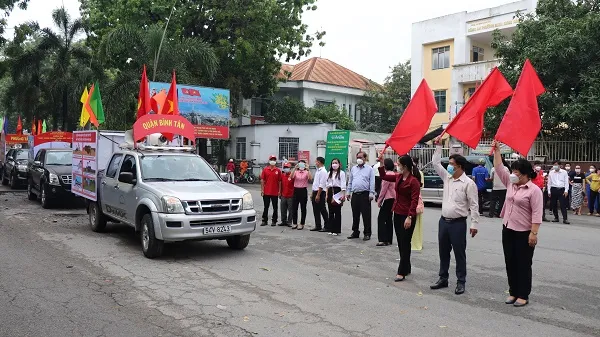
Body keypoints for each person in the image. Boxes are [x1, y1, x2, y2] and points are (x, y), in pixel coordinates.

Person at [491, 141, 542, 307]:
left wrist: (533, 234)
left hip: (524, 232)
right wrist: (497, 151)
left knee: (523, 263)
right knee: (510, 261)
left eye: (517, 172)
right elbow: (499, 168)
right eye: (512, 171)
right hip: (508, 228)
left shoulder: (534, 191)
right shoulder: (511, 184)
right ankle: (513, 291)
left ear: (526, 174)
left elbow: (537, 213)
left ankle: (523, 294)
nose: (513, 174)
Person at [430, 137, 479, 295]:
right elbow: (436, 163)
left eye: (451, 164)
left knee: (459, 253)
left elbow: (473, 205)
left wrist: (474, 224)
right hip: (443, 222)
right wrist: (438, 146)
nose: (449, 167)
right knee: (443, 252)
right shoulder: (447, 178)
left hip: (458, 223)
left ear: (460, 167)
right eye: (449, 164)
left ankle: (461, 281)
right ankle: (443, 278)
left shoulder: (468, 184)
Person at [378, 154, 421, 282]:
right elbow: (383, 176)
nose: (398, 166)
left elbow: (414, 201)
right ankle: (406, 266)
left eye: (400, 164)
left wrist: (409, 217)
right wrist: (381, 163)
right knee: (401, 243)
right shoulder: (398, 177)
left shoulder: (413, 181)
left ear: (406, 166)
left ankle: (401, 271)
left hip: (407, 215)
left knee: (405, 242)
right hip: (397, 212)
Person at [346, 152, 376, 241]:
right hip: (355, 194)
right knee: (355, 215)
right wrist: (348, 192)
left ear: (365, 158)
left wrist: (371, 193)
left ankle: (367, 233)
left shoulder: (369, 169)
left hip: (365, 194)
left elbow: (372, 182)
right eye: (357, 157)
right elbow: (350, 181)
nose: (359, 159)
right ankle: (355, 232)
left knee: (366, 215)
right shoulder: (353, 169)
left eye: (360, 157)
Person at [376, 158, 396, 246]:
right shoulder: (394, 174)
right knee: (388, 219)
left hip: (388, 199)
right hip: (393, 199)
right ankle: (388, 239)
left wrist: (379, 201)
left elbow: (383, 190)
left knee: (381, 219)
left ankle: (383, 239)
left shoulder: (387, 175)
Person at [325, 158, 346, 236]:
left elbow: (343, 184)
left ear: (339, 164)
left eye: (336, 163)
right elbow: (327, 185)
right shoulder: (329, 173)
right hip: (330, 191)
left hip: (338, 191)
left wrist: (343, 195)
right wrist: (327, 195)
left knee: (337, 211)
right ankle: (330, 228)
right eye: (333, 163)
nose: (334, 164)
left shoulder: (342, 173)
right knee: (330, 211)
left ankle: (336, 230)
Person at [260, 155, 282, 226]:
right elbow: (262, 180)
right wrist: (262, 190)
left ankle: (274, 221)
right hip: (266, 191)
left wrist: (279, 191)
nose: (273, 161)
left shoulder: (278, 170)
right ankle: (264, 220)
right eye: (271, 159)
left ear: (275, 161)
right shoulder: (265, 170)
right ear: (269, 161)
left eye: (274, 159)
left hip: (275, 192)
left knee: (275, 207)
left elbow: (279, 181)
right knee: (266, 206)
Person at [290, 160, 311, 230]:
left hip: (303, 190)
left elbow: (310, 179)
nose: (301, 166)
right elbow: (291, 177)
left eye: (303, 164)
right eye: (300, 164)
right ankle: (295, 223)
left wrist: (308, 169)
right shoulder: (296, 171)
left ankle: (302, 223)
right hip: (296, 190)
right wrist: (294, 168)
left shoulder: (306, 172)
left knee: (303, 208)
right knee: (294, 207)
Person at [547, 160, 570, 224]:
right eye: (554, 165)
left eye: (556, 164)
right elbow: (549, 182)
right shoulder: (551, 172)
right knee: (554, 204)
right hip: (553, 189)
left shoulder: (564, 172)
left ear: (560, 165)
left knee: (563, 205)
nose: (555, 166)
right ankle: (556, 217)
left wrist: (566, 190)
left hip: (561, 189)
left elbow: (566, 182)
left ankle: (565, 219)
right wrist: (549, 191)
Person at [311, 157, 329, 232]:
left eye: (316, 161)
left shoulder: (323, 171)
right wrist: (312, 194)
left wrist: (318, 195)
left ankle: (327, 226)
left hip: (320, 192)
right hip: (315, 191)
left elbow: (322, 184)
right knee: (316, 210)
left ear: (319, 162)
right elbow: (315, 183)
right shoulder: (318, 171)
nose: (315, 163)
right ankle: (318, 225)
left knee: (322, 209)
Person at [411, 156, 425, 251]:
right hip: (418, 201)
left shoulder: (409, 174)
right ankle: (417, 243)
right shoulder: (420, 173)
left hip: (412, 201)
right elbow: (422, 186)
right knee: (418, 224)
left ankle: (411, 243)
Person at [279, 163, 294, 227]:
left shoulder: (292, 176)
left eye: (287, 167)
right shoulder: (282, 175)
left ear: (290, 168)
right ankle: (283, 221)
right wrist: (279, 192)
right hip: (283, 195)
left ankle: (289, 222)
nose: (286, 169)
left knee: (290, 210)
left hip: (291, 195)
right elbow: (280, 184)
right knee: (283, 209)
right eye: (284, 167)